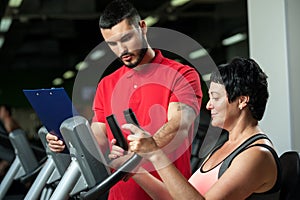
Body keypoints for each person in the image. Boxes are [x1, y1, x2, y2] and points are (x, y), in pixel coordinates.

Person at [46, 0, 202, 199]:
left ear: (143, 27)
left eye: (127, 38)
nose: (122, 51)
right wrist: (68, 144)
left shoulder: (181, 74)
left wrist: (146, 148)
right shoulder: (106, 85)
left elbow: (179, 123)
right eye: (112, 44)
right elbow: (98, 138)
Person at [117, 57, 281, 199]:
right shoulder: (225, 146)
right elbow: (180, 197)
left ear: (242, 101)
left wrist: (155, 153)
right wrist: (136, 169)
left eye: (215, 98)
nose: (208, 106)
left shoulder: (257, 155)